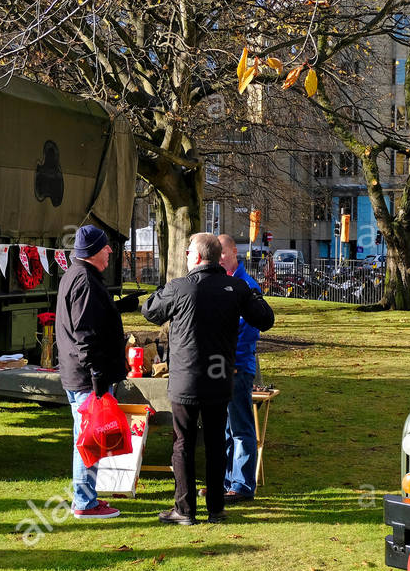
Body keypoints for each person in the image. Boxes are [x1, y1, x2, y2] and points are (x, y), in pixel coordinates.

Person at [142, 232, 274, 525]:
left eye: (188, 252)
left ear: (198, 257)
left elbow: (149, 310)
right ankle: (215, 508)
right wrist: (251, 296)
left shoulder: (180, 288)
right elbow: (265, 318)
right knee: (216, 442)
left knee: (183, 443)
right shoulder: (236, 287)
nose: (186, 255)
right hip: (218, 377)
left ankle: (185, 509)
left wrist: (168, 291)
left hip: (186, 379)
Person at [56, 224, 128, 519]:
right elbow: (85, 333)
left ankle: (86, 497)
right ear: (94, 251)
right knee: (89, 439)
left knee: (88, 437)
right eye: (106, 246)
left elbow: (90, 319)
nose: (110, 250)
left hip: (81, 374)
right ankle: (84, 502)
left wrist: (120, 307)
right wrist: (98, 375)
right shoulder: (84, 280)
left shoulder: (78, 275)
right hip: (87, 377)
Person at [218, 234, 262, 503]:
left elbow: (248, 331)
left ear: (235, 251)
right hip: (222, 366)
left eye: (222, 252)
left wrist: (233, 363)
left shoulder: (247, 285)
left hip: (237, 367)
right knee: (226, 428)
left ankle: (243, 485)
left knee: (241, 426)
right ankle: (226, 482)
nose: (219, 258)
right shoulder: (222, 283)